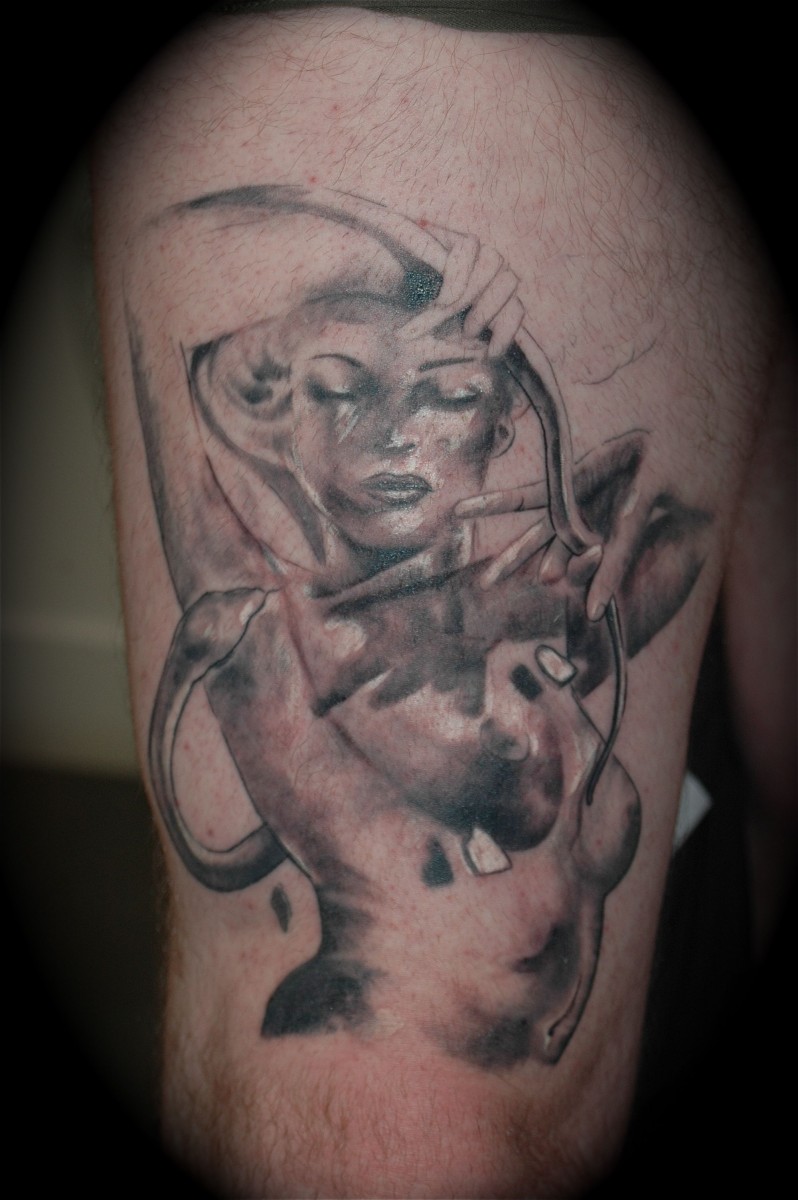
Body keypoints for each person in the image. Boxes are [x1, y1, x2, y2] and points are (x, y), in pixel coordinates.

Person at [93, 5, 793, 1195]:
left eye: (454, 395)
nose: (396, 436)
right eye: (339, 389)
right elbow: (406, 1130)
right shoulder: (306, 648)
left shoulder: (413, 610)